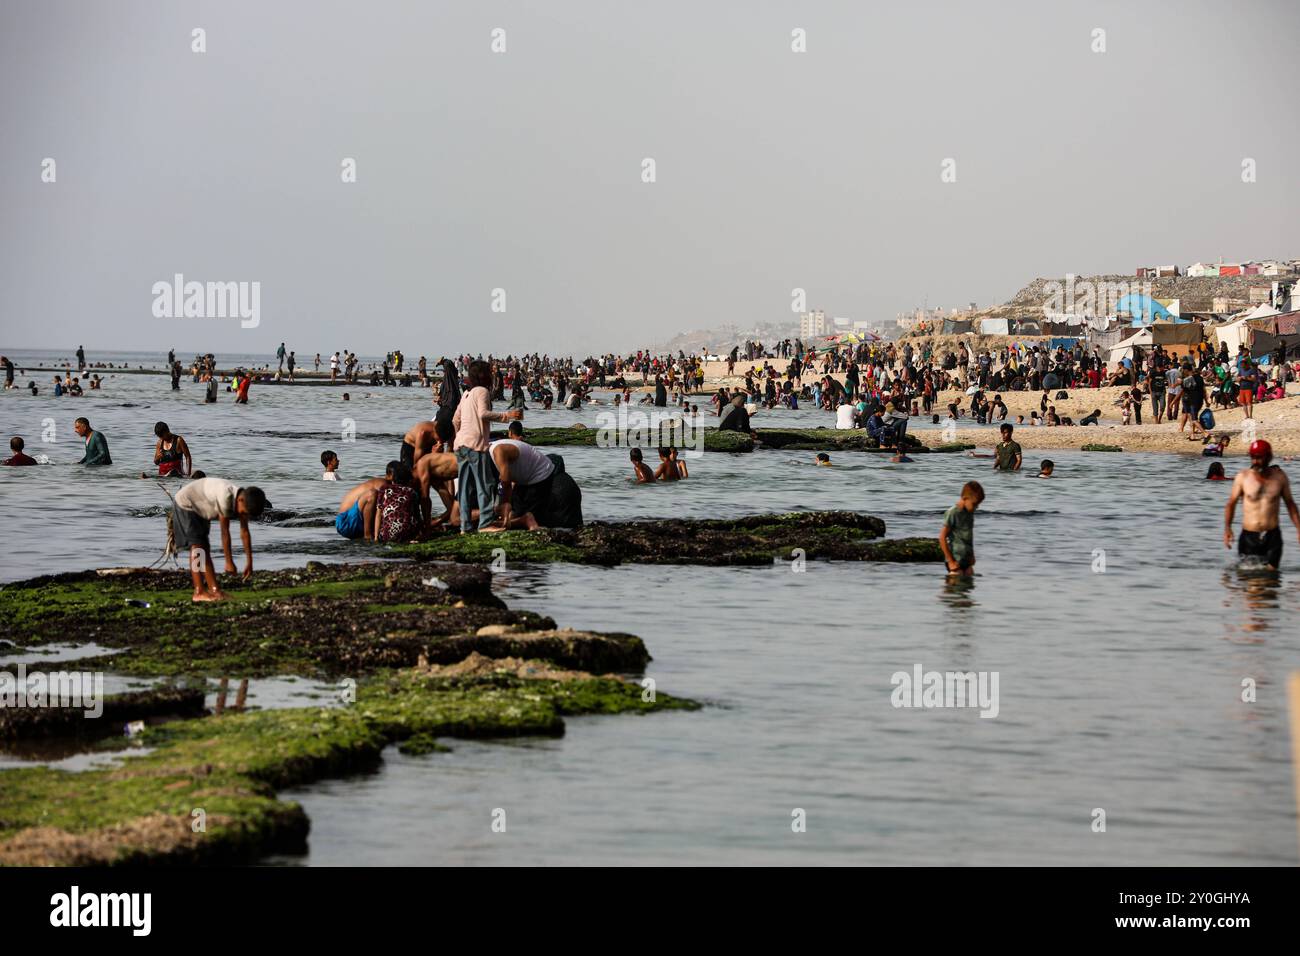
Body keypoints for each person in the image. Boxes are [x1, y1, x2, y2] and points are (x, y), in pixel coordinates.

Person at [171, 477, 270, 601]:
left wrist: (249, 562)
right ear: (240, 500)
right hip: (186, 503)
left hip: (201, 509)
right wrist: (229, 562)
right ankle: (199, 591)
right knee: (197, 548)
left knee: (204, 548)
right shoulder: (226, 498)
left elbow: (244, 532)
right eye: (244, 513)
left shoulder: (242, 501)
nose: (243, 516)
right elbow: (225, 533)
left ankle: (215, 591)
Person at [453, 360, 521, 533]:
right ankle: (484, 523)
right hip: (475, 444)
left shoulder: (466, 394)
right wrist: (508, 415)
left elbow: (455, 420)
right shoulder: (482, 391)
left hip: (460, 445)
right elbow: (483, 414)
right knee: (485, 483)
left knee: (465, 488)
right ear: (485, 376)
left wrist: (458, 437)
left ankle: (465, 526)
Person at [1223, 440, 1299, 570]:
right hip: (1249, 537)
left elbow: (1290, 504)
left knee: (1272, 581)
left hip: (1272, 536)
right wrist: (1228, 528)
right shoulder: (1243, 477)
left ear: (1269, 457)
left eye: (1259, 457)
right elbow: (1231, 503)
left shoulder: (1280, 478)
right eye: (1253, 457)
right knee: (1251, 584)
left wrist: (1298, 528)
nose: (1255, 461)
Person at [487, 435, 559, 530]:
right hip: (522, 478)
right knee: (514, 515)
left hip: (540, 474)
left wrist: (505, 505)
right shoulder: (486, 453)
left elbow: (506, 482)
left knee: (531, 519)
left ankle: (530, 520)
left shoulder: (498, 451)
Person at [939, 480, 984, 576]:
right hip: (955, 559)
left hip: (966, 559)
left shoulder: (969, 513)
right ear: (965, 498)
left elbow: (969, 536)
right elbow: (942, 538)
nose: (976, 507)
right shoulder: (953, 513)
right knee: (955, 583)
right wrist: (950, 561)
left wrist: (972, 555)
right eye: (974, 504)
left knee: (969, 583)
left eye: (978, 505)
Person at [336, 468, 394, 539]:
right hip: (345, 522)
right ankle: (368, 535)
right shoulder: (383, 483)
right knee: (371, 494)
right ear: (389, 476)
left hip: (355, 522)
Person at [372, 462, 421, 542]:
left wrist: (376, 537)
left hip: (387, 535)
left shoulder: (384, 489)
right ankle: (409, 539)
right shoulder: (411, 491)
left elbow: (378, 514)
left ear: (391, 476)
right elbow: (417, 515)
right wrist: (420, 533)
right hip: (407, 533)